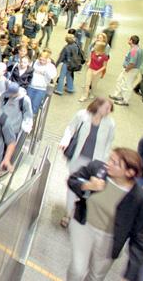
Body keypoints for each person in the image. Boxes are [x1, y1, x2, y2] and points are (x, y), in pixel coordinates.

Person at [67, 148, 143, 281]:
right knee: (77, 270)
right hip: (83, 226)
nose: (108, 164)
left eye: (115, 163)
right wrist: (88, 185)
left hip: (110, 239)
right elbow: (72, 180)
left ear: (130, 172)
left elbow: (140, 240)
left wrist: (130, 275)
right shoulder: (97, 169)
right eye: (110, 159)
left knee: (95, 277)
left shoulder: (141, 201)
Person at [59, 98, 115, 228]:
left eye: (110, 109)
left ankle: (79, 211)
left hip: (95, 162)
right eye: (106, 108)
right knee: (73, 186)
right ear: (98, 105)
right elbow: (70, 128)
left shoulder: (110, 124)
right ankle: (68, 214)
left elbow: (108, 144)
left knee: (89, 188)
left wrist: (105, 163)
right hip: (78, 158)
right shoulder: (82, 115)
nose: (108, 111)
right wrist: (65, 140)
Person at [109, 35, 142, 106]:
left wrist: (126, 70)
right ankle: (120, 96)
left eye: (129, 39)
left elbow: (132, 63)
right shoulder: (136, 48)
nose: (128, 40)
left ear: (131, 41)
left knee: (127, 85)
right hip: (131, 69)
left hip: (130, 70)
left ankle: (125, 101)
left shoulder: (134, 50)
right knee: (121, 81)